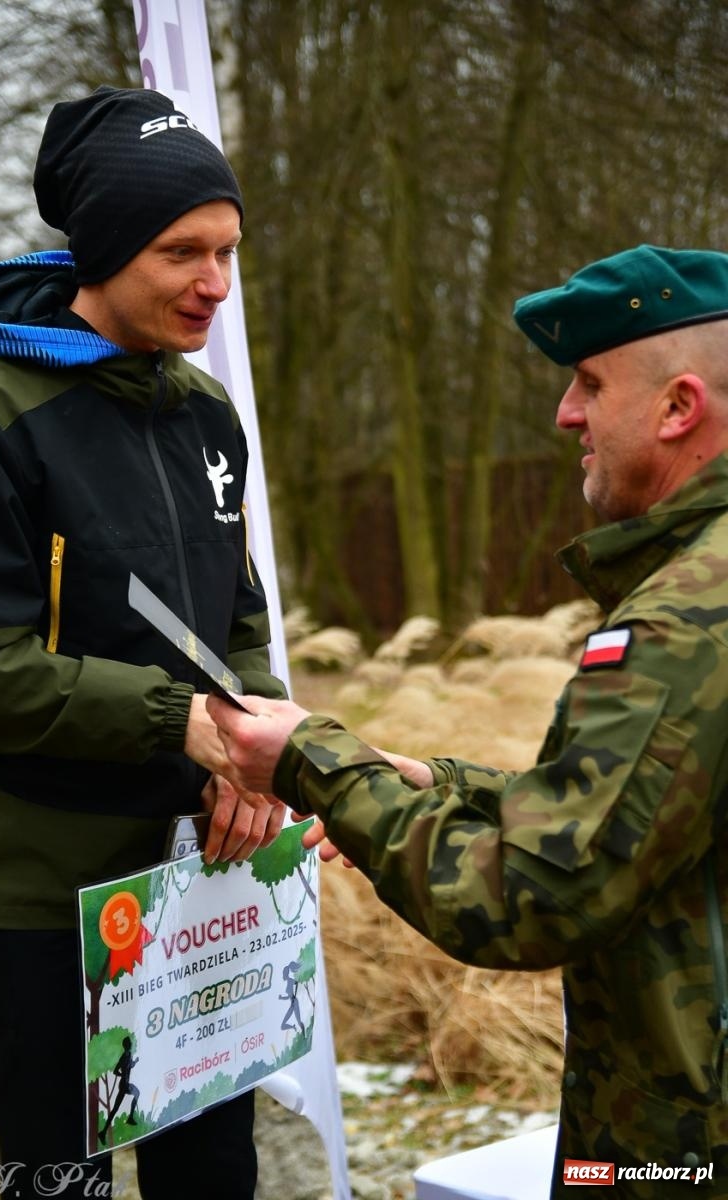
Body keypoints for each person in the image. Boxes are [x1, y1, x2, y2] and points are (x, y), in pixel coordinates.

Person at [208, 245, 728, 1197]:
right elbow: (657, 817)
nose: (566, 413)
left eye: (590, 383)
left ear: (678, 407)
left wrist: (314, 762)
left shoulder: (683, 621)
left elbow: (532, 897)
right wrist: (441, 785)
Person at [0, 85, 287, 1199]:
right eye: (183, 253)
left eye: (227, 252)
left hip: (192, 874)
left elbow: (237, 620)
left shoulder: (206, 412)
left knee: (214, 1171)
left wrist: (249, 748)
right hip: (26, 888)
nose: (215, 283)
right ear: (103, 249)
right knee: (58, 1180)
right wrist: (183, 722)